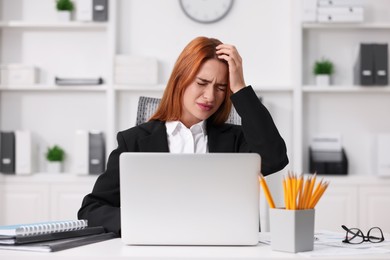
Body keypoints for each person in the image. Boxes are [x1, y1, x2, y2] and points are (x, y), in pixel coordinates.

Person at [78, 36, 289, 235]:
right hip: (158, 248)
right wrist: (142, 221)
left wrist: (240, 87)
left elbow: (275, 158)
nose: (210, 96)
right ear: (181, 79)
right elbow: (91, 211)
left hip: (223, 247)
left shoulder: (236, 140)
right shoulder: (133, 142)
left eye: (221, 88)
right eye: (202, 83)